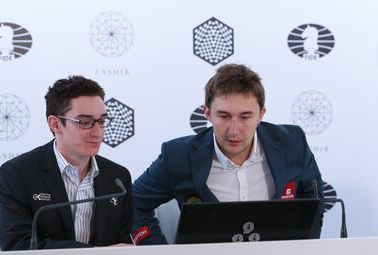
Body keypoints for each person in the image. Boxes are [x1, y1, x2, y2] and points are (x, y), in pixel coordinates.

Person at [132, 64, 324, 245]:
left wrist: (301, 250)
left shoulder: (292, 143)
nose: (233, 130)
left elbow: (314, 200)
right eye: (223, 116)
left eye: (245, 117)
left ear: (262, 114)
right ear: (207, 113)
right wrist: (157, 252)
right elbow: (132, 204)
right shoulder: (178, 156)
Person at [0, 76, 132, 250]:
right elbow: (17, 245)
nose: (98, 132)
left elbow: (122, 246)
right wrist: (94, 254)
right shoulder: (18, 173)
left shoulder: (117, 178)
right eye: (85, 122)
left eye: (102, 121)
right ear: (56, 124)